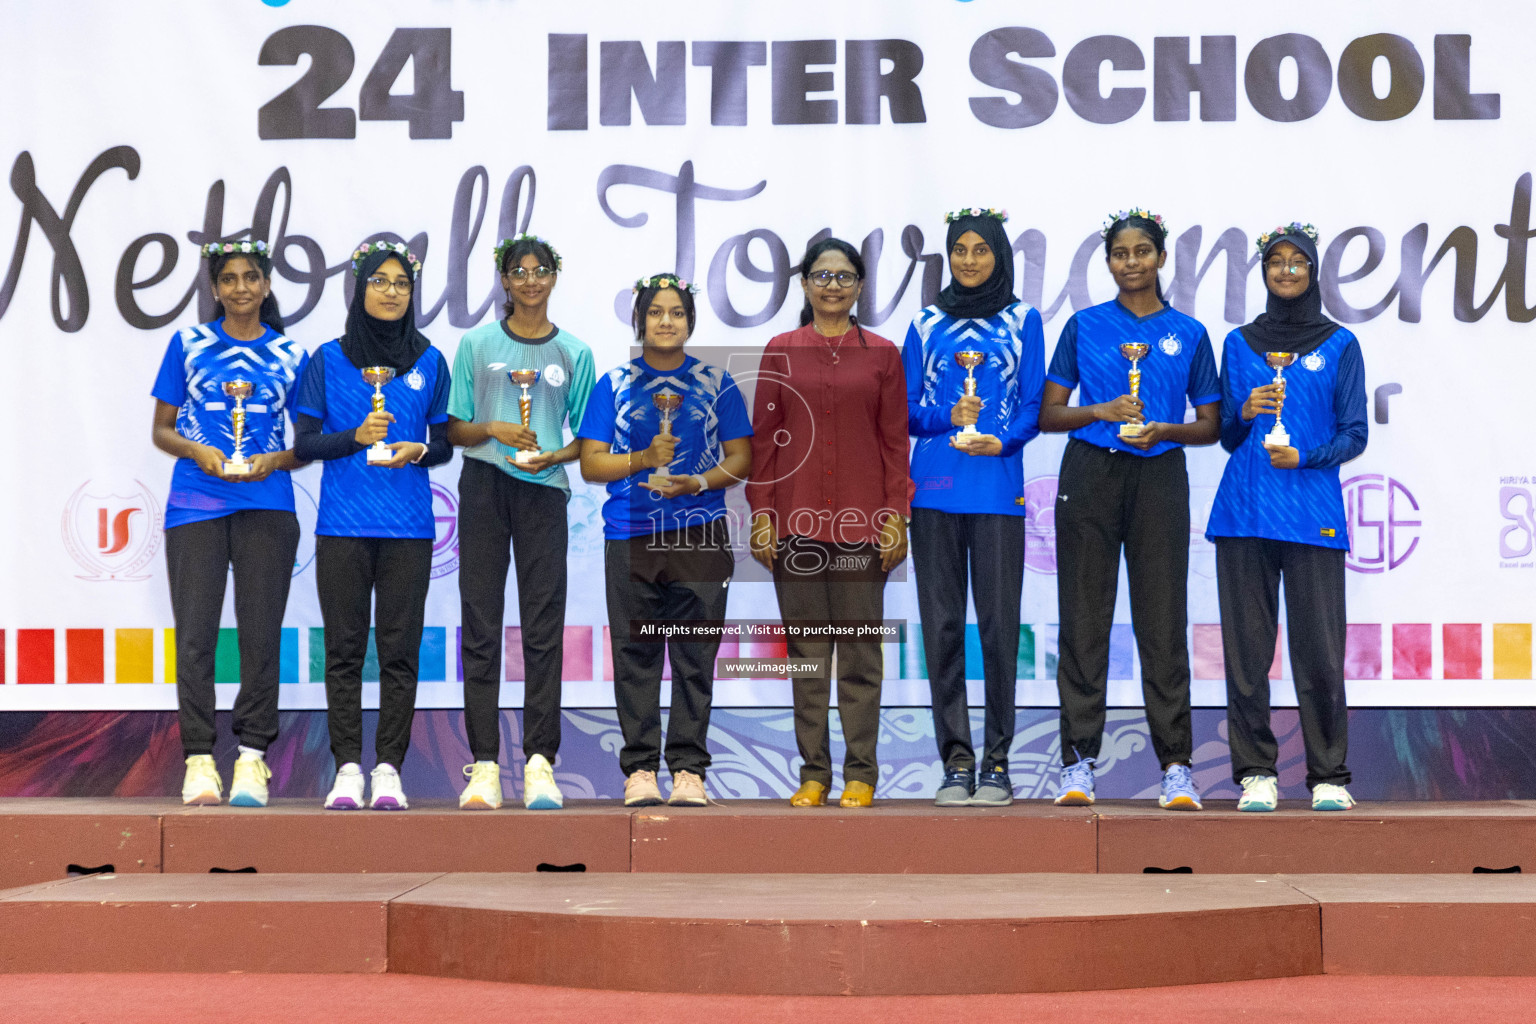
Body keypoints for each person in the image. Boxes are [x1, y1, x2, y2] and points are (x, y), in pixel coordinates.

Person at [1040, 209, 1221, 811]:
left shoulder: (1189, 333)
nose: (1133, 261)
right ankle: (1077, 763)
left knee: (1163, 623)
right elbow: (1049, 415)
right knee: (1084, 621)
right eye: (1121, 253)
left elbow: (1212, 425)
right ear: (1108, 262)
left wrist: (1163, 428)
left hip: (1161, 476)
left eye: (1144, 251)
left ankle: (1176, 766)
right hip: (1090, 474)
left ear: (1161, 258)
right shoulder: (1084, 327)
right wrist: (1101, 412)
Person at [1206, 222, 1366, 812]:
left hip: (1312, 514)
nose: (1288, 270)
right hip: (1244, 512)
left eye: (1299, 261)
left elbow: (1355, 433)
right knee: (1247, 652)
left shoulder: (1341, 344)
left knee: (1320, 650)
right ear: (1265, 272)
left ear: (1314, 271)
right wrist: (1244, 411)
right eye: (1277, 261)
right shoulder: (1239, 342)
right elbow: (1223, 434)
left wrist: (1307, 456)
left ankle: (1329, 775)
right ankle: (1256, 773)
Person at [577, 273, 752, 806]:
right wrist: (642, 461)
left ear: (690, 321)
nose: (666, 321)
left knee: (696, 657)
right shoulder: (613, 383)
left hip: (700, 534)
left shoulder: (716, 383)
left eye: (676, 312)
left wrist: (697, 482)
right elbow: (591, 464)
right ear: (640, 320)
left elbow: (741, 459)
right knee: (636, 655)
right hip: (631, 533)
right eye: (656, 312)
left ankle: (690, 770)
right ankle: (640, 771)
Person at [747, 238, 910, 809]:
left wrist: (897, 517)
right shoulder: (781, 349)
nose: (833, 285)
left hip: (864, 529)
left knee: (861, 657)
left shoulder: (883, 354)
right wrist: (762, 516)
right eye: (822, 275)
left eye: (844, 276)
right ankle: (813, 774)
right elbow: (764, 444)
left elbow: (895, 442)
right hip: (795, 526)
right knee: (809, 657)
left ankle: (861, 773)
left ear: (861, 286)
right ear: (805, 285)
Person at [293, 241, 453, 810]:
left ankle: (388, 767)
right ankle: (346, 769)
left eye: (402, 283)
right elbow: (305, 443)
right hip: (341, 528)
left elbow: (444, 447)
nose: (391, 291)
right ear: (359, 288)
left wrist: (419, 449)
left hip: (408, 529)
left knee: (399, 652)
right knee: (342, 651)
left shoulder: (430, 360)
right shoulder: (327, 360)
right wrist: (355, 438)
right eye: (380, 281)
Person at [152, 240, 307, 807]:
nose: (241, 287)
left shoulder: (292, 353)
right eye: (230, 279)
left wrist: (274, 459)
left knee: (260, 636)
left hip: (268, 504)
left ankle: (251, 758)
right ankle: (198, 758)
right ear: (215, 289)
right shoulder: (188, 344)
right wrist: (198, 452)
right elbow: (161, 430)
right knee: (195, 638)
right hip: (196, 503)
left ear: (266, 287)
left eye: (251, 278)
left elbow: (307, 441)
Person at [902, 207, 1044, 807]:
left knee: (998, 630)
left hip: (997, 493)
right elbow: (906, 410)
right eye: (959, 250)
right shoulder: (925, 322)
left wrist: (1004, 439)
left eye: (980, 250)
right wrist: (946, 417)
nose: (968, 260)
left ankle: (998, 765)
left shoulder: (1022, 319)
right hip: (933, 493)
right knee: (940, 630)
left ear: (999, 255)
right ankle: (956, 763)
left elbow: (1034, 401)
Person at [448, 234, 595, 811]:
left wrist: (552, 455)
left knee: (542, 627)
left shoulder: (575, 354)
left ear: (554, 277)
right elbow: (456, 429)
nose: (530, 280)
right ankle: (484, 763)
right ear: (504, 280)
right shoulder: (477, 344)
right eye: (519, 271)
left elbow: (588, 439)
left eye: (541, 270)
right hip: (483, 484)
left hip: (544, 494)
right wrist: (494, 429)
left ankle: (539, 762)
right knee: (480, 624)